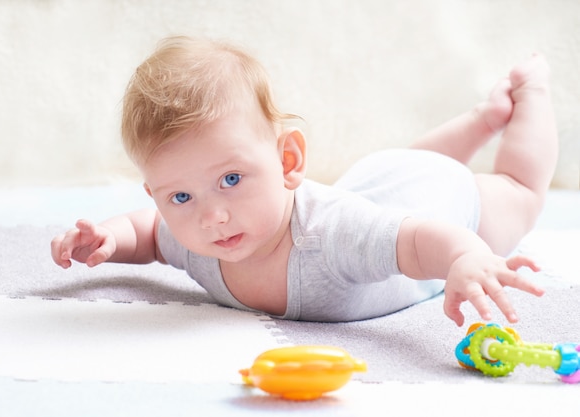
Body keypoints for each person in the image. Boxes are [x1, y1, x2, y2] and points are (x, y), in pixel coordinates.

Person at [51, 36, 558, 326]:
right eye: (180, 196)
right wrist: (108, 239)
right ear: (159, 195)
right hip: (380, 182)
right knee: (405, 164)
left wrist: (464, 258)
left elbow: (418, 239)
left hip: (445, 205)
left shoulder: (333, 235)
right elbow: (148, 234)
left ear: (288, 160)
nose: (212, 216)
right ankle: (480, 119)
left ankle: (528, 90)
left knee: (521, 189)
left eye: (231, 178)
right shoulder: (196, 237)